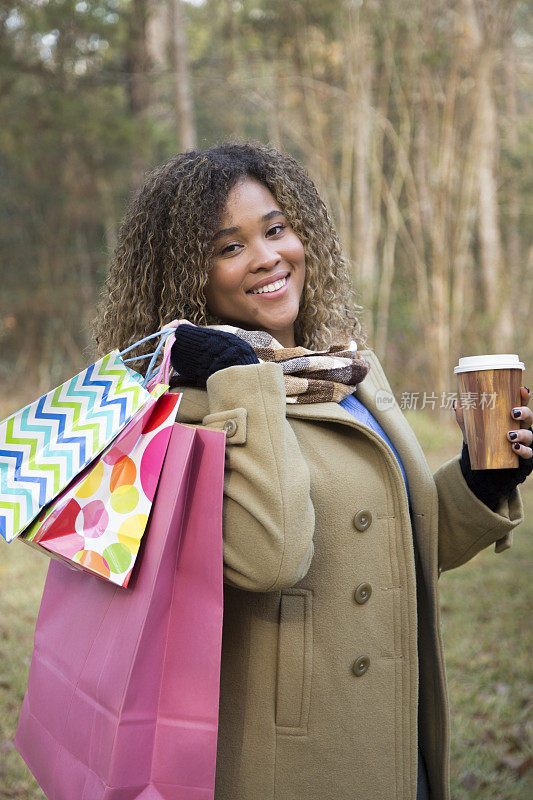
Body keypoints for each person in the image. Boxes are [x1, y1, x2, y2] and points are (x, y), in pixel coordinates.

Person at [93, 142, 532, 800]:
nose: (268, 257)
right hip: (291, 761)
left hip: (392, 731)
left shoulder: (341, 370)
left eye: (275, 229)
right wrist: (239, 378)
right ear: (190, 274)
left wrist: (480, 477)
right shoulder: (179, 409)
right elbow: (270, 557)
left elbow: (383, 549)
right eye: (229, 246)